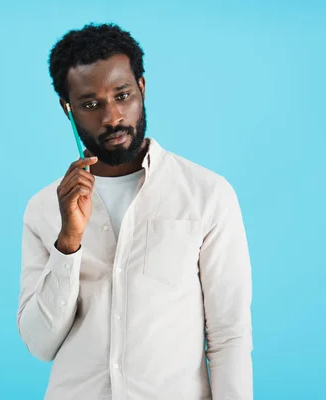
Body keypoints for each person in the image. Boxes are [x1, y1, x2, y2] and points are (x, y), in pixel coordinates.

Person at [16, 23, 253, 400]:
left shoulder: (207, 194)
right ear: (68, 109)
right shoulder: (44, 209)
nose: (112, 117)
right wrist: (69, 242)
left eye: (122, 95)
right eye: (91, 104)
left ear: (141, 88)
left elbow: (229, 336)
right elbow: (39, 344)